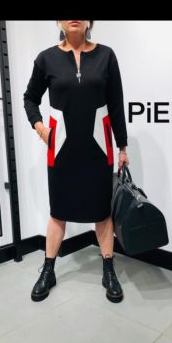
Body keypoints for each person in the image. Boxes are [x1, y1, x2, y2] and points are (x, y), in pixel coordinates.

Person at [23, 20, 129, 303]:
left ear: (89, 21)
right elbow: (30, 98)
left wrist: (122, 147)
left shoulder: (106, 56)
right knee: (58, 211)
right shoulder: (46, 59)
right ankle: (48, 271)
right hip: (61, 151)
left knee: (102, 213)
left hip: (98, 148)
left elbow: (116, 104)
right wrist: (39, 126)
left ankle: (108, 270)